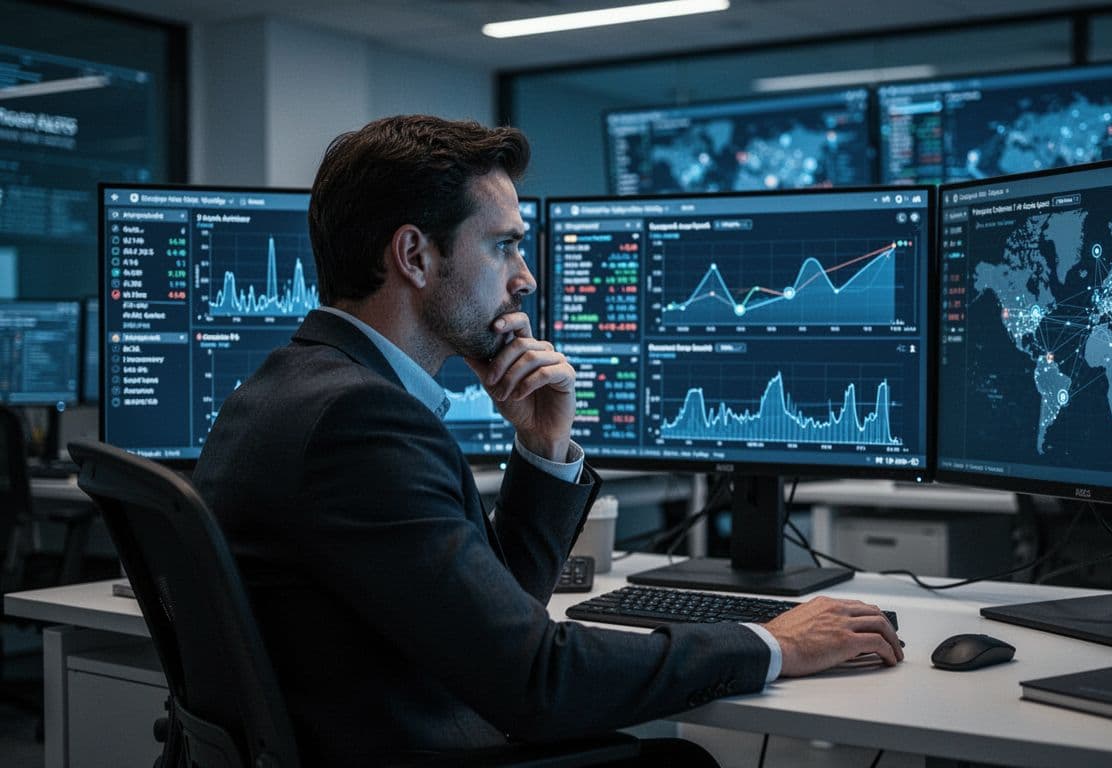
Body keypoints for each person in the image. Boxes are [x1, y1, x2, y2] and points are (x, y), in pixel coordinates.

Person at [193, 115, 902, 767]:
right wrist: (772, 642)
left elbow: (501, 623)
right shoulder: (361, 422)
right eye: (503, 246)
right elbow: (538, 682)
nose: (525, 278)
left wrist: (542, 447)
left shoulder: (282, 389)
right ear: (414, 255)